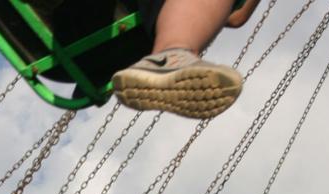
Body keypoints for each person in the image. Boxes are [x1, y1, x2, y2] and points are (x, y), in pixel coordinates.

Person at [111, 0, 262, 119]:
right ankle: (171, 55)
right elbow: (237, 16)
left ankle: (169, 57)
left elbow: (237, 16)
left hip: (110, 44)